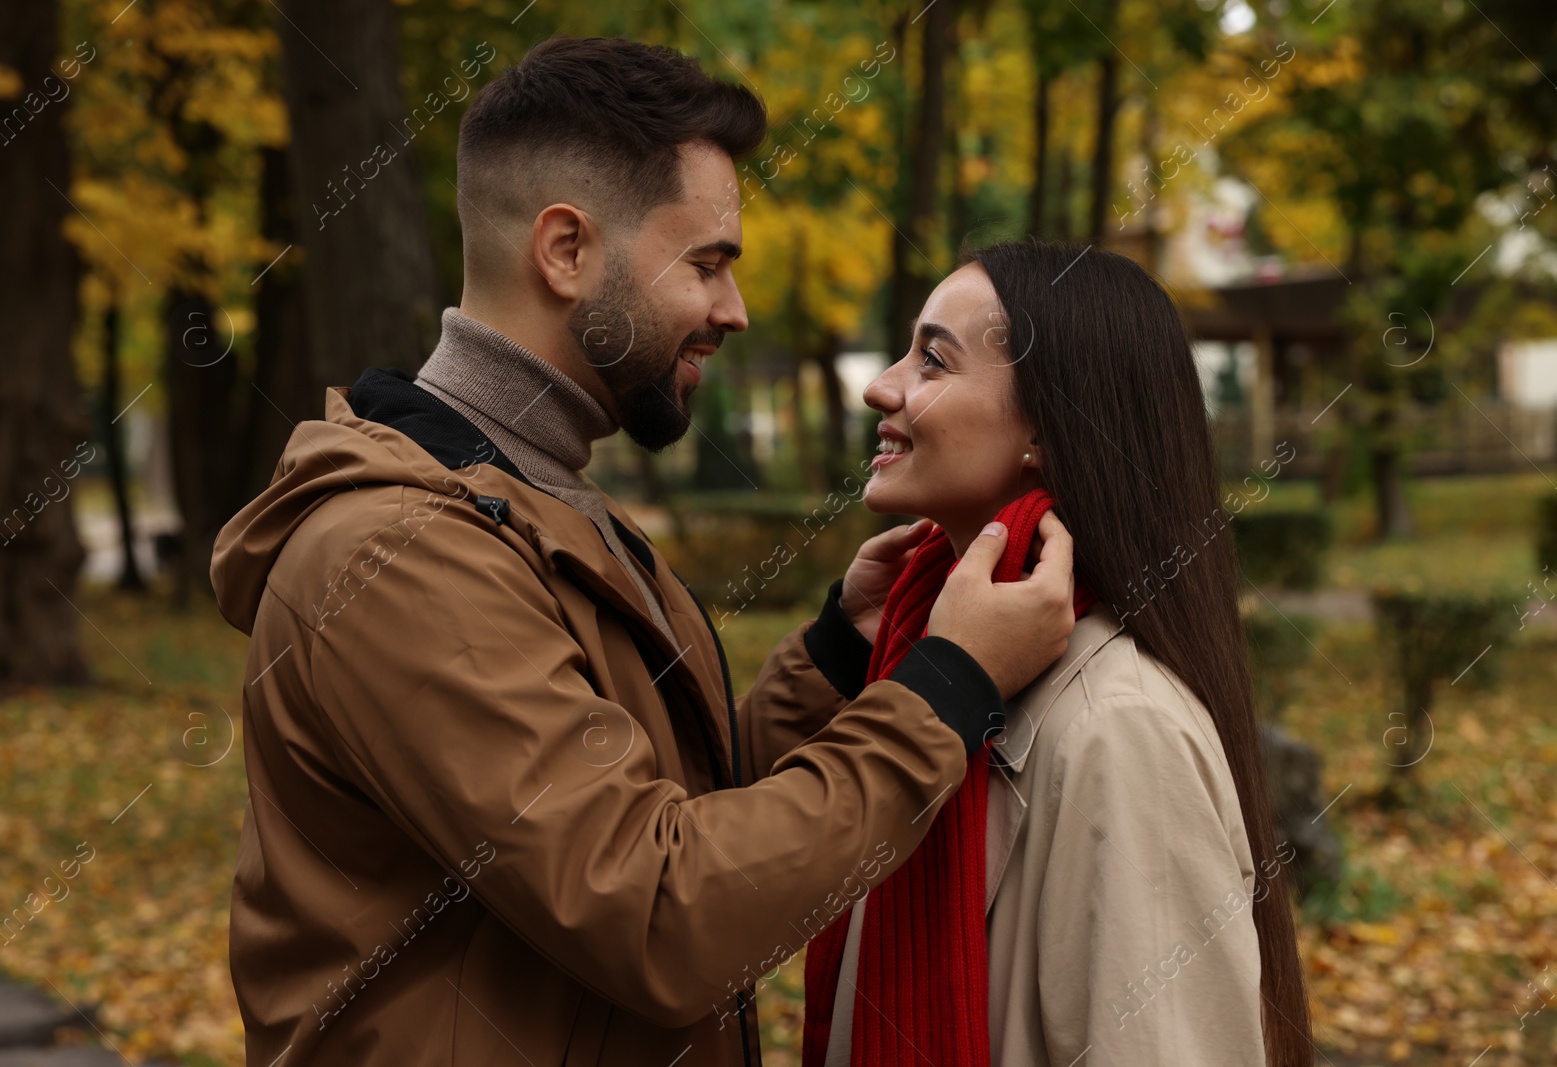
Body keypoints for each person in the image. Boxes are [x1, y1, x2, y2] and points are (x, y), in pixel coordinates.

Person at [209, 37, 1080, 1067]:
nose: (733, 311)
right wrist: (948, 685)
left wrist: (835, 657)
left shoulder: (539, 501)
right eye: (706, 263)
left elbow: (672, 816)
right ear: (566, 251)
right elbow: (660, 912)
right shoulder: (400, 552)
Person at [802, 241, 1315, 1067]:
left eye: (932, 360)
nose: (881, 385)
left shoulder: (1119, 730)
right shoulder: (921, 666)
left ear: (1045, 425)